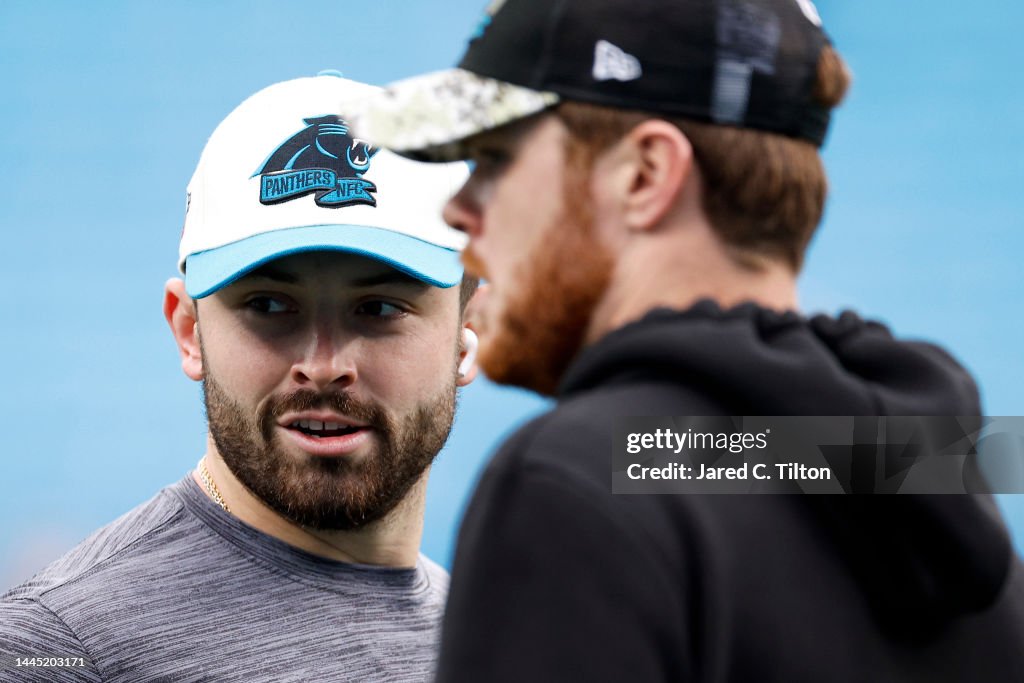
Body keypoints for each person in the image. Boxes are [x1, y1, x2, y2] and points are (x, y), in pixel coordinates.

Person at [352, 0, 1024, 680]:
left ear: (644, 175)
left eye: (494, 158)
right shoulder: (933, 464)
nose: (459, 208)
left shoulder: (574, 480)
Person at [0, 72, 476, 682]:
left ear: (470, 328)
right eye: (271, 306)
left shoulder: (496, 637)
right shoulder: (53, 649)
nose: (325, 365)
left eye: (379, 308)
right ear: (188, 330)